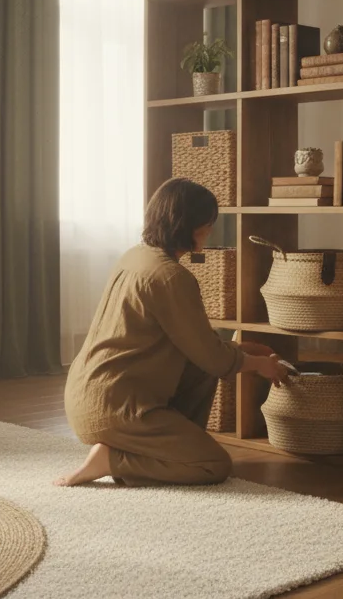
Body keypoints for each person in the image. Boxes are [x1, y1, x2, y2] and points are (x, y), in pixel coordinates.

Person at [55, 178, 291, 487]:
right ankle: (114, 459)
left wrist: (247, 351)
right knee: (213, 464)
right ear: (192, 227)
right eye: (208, 224)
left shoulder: (135, 257)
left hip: (88, 394)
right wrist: (261, 365)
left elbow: (198, 349)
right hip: (116, 407)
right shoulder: (171, 277)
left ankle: (160, 450)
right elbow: (215, 360)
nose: (210, 231)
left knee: (200, 368)